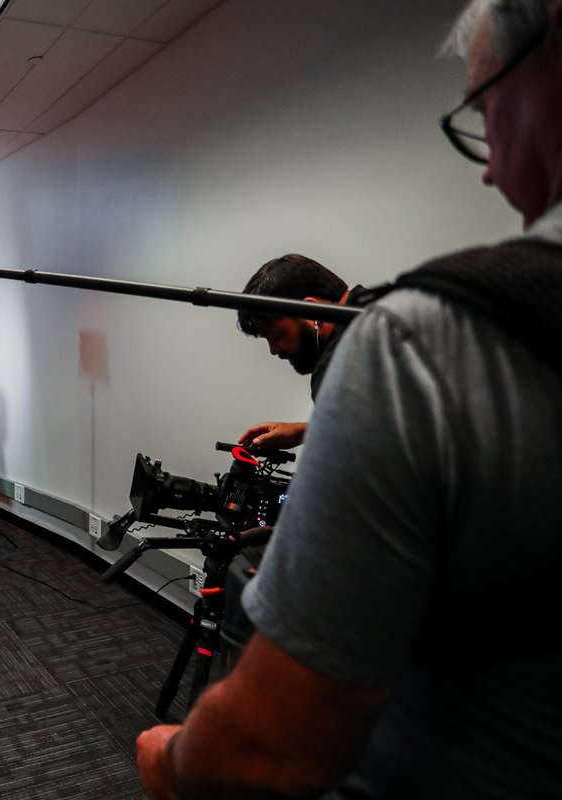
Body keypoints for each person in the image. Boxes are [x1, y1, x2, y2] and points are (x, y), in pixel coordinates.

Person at [137, 1, 562, 797]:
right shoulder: (396, 328)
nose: (487, 163)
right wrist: (307, 430)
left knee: (249, 575)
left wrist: (172, 759)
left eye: (484, 107)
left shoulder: (405, 342)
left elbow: (271, 753)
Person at [235, 254, 356, 449]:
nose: (274, 350)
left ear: (312, 310)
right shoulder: (381, 308)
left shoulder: (340, 367)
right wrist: (307, 430)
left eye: (277, 334)